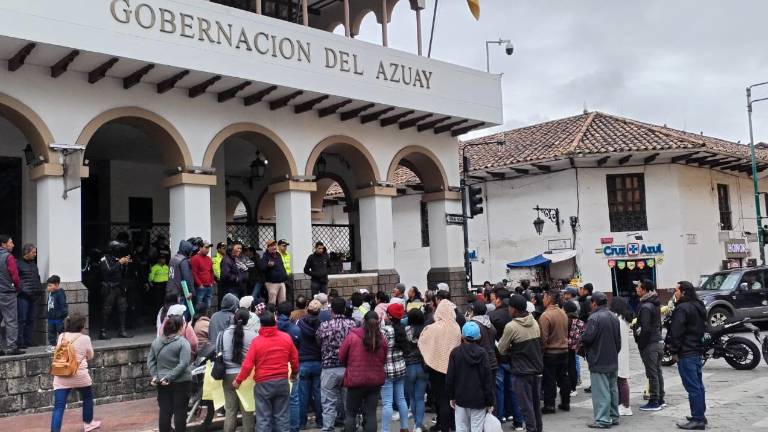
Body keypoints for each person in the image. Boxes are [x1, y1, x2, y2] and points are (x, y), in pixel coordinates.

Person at [234, 310, 299, 432]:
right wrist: (294, 373)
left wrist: (238, 381)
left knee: (263, 419)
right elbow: (295, 359)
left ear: (261, 325)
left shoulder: (256, 342)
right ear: (275, 322)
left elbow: (247, 365)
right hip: (282, 381)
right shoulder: (286, 338)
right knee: (282, 418)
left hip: (263, 384)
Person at [498, 294, 543, 432]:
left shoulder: (511, 327)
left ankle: (531, 429)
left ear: (514, 310)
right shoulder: (534, 322)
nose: (508, 310)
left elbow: (501, 349)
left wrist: (511, 349)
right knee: (535, 405)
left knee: (525, 406)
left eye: (510, 308)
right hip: (536, 369)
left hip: (521, 371)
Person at [50, 312, 101, 432]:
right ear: (81, 326)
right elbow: (90, 356)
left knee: (58, 406)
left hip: (61, 375)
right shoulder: (85, 338)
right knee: (87, 397)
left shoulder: (61, 336)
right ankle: (88, 423)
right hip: (79, 376)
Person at [666, 281, 707, 430]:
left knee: (693, 387)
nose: (675, 293)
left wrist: (674, 350)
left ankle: (698, 419)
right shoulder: (698, 305)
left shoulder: (682, 308)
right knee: (698, 385)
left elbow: (677, 332)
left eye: (676, 290)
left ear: (683, 292)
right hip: (696, 349)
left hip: (686, 352)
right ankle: (700, 414)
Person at [338, 311, 387, 432]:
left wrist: (349, 366)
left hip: (356, 380)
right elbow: (384, 359)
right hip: (375, 381)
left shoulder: (352, 336)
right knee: (371, 413)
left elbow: (341, 356)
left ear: (363, 321)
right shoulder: (381, 339)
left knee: (351, 413)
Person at [418, 299, 462, 432]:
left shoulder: (433, 328)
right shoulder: (456, 327)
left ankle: (443, 426)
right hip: (454, 368)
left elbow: (422, 342)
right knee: (452, 399)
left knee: (441, 399)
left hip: (436, 368)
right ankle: (453, 426)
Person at [316, 297, 357, 432]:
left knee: (328, 402)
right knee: (349, 402)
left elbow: (318, 342)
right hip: (348, 367)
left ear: (331, 310)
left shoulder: (324, 326)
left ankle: (328, 427)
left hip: (329, 367)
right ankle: (351, 426)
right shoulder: (353, 325)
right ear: (344, 309)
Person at [580, 291, 621, 429]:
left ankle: (603, 419)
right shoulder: (613, 317)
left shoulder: (594, 318)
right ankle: (614, 416)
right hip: (612, 359)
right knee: (612, 389)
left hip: (598, 359)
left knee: (601, 391)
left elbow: (587, 338)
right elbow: (618, 341)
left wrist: (581, 338)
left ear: (594, 303)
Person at [447, 322, 495, 432]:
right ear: (478, 336)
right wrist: (490, 401)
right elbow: (487, 379)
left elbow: (450, 377)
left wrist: (451, 396)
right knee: (477, 428)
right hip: (479, 399)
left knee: (461, 427)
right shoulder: (482, 353)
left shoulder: (455, 352)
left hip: (460, 397)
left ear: (462, 336)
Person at [148, 315, 192, 432]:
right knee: (180, 412)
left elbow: (151, 361)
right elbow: (183, 364)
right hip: (181, 382)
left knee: (164, 411)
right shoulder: (183, 343)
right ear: (180, 327)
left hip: (161, 382)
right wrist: (170, 377)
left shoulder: (156, 342)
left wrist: (156, 376)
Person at [488, 286, 523, 429]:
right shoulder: (517, 315)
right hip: (514, 357)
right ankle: (518, 420)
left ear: (498, 299)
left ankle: (500, 418)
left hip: (499, 356)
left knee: (499, 390)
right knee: (513, 390)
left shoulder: (493, 316)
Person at [221, 308, 257, 432]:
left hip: (228, 375)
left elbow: (218, 352)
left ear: (234, 318)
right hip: (246, 375)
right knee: (247, 410)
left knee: (230, 411)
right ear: (248, 320)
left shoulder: (223, 334)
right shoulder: (253, 335)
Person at [633, 279, 666, 411]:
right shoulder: (655, 303)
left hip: (650, 344)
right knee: (657, 371)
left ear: (645, 290)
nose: (637, 289)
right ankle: (660, 398)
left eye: (639, 287)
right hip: (657, 341)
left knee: (652, 373)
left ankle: (654, 401)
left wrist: (641, 343)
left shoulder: (646, 306)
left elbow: (645, 328)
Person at [539, 289, 571, 414]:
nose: (543, 300)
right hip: (564, 350)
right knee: (563, 378)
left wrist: (541, 351)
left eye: (544, 297)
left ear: (549, 299)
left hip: (551, 352)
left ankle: (550, 405)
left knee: (549, 379)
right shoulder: (563, 313)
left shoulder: (545, 316)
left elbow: (543, 338)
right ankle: (565, 402)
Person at [381, 303, 409, 432]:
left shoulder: (386, 331)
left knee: (387, 403)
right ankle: (404, 427)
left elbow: (380, 348)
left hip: (387, 369)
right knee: (401, 399)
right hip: (401, 367)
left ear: (389, 316)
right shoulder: (404, 329)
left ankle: (385, 430)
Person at [297, 299, 324, 430]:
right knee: (318, 393)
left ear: (307, 309)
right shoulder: (322, 325)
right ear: (319, 312)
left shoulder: (299, 324)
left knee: (303, 395)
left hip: (303, 362)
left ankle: (302, 423)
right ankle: (320, 421)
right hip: (318, 361)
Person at [99, 240, 132, 340]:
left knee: (123, 308)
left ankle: (122, 331)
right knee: (107, 310)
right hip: (110, 287)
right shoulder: (104, 258)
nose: (119, 249)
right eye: (117, 248)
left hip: (119, 287)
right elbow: (108, 271)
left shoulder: (117, 258)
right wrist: (119, 263)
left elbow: (123, 273)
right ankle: (103, 332)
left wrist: (125, 264)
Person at [278, 301, 302, 432]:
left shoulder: (274, 327)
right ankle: (294, 427)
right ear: (290, 313)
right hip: (292, 366)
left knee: (278, 400)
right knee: (293, 399)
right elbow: (298, 347)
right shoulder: (295, 329)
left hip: (277, 366)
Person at [404, 308, 428, 432]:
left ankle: (415, 423)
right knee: (420, 397)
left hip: (408, 366)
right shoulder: (426, 330)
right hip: (422, 366)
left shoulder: (405, 330)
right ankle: (419, 425)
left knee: (412, 397)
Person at [610, 296, 634, 416]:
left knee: (621, 380)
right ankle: (623, 404)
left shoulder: (617, 319)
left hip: (618, 353)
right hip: (622, 353)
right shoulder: (623, 318)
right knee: (621, 380)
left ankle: (625, 406)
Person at [16, 243, 41, 349]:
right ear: (27, 252)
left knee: (31, 319)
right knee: (22, 319)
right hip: (23, 296)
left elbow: (37, 277)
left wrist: (38, 289)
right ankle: (19, 342)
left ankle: (28, 341)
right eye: (33, 252)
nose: (35, 254)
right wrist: (20, 290)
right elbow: (15, 279)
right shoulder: (18, 264)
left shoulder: (33, 264)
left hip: (34, 296)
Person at [166, 240, 195, 307]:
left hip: (170, 290)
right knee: (180, 313)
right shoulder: (183, 261)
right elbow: (187, 278)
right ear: (187, 250)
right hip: (179, 293)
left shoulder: (173, 258)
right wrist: (190, 291)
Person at [564, 301, 585, 396]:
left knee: (567, 368)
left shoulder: (566, 320)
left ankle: (569, 388)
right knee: (572, 366)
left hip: (565, 347)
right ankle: (574, 387)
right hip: (574, 347)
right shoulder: (579, 321)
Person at [261, 240, 288, 305]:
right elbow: (262, 268)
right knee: (272, 303)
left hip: (281, 282)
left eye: (275, 245)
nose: (274, 247)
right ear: (268, 248)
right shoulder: (265, 256)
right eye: (272, 246)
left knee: (283, 302)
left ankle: (282, 314)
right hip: (272, 283)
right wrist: (268, 265)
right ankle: (271, 315)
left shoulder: (278, 254)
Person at [190, 241, 215, 309]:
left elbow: (211, 271)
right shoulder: (195, 258)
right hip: (200, 287)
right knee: (199, 306)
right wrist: (199, 284)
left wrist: (211, 282)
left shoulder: (209, 259)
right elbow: (194, 273)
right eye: (206, 247)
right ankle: (197, 319)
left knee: (208, 306)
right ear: (200, 248)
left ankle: (205, 319)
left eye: (209, 248)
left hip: (208, 286)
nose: (208, 250)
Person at [46, 275, 68, 352]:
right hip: (51, 317)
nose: (48, 288)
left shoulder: (60, 294)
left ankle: (63, 345)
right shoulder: (50, 293)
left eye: (50, 286)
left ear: (57, 285)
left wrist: (62, 314)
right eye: (48, 286)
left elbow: (63, 305)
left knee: (60, 331)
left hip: (58, 317)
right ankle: (53, 345)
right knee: (51, 332)